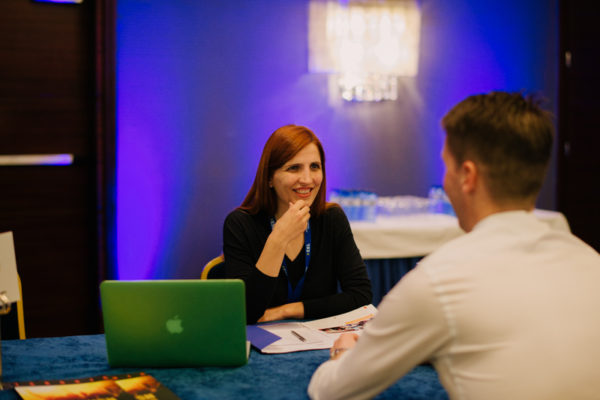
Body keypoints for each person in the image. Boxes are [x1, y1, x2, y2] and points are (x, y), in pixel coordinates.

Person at [308, 92, 600, 400]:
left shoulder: (438, 280)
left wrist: (343, 352)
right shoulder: (591, 262)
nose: (445, 181)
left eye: (446, 166)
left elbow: (330, 391)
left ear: (467, 176)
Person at [222, 124, 372, 324]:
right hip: (259, 339)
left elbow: (361, 294)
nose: (307, 179)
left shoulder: (331, 218)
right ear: (269, 178)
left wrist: (286, 311)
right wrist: (278, 239)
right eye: (294, 168)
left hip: (317, 338)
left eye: (314, 167)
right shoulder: (240, 224)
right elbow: (246, 313)